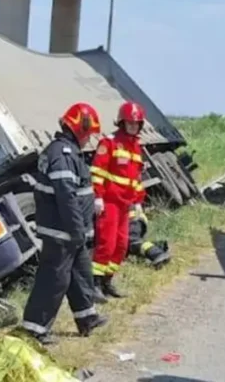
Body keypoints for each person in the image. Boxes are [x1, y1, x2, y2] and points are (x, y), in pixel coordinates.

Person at [20, 102, 109, 345]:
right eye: (89, 133)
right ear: (80, 128)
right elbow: (66, 197)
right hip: (62, 231)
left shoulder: (67, 151)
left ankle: (86, 317)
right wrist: (77, 229)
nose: (89, 139)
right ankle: (35, 328)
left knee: (81, 274)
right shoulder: (62, 154)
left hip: (72, 231)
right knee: (54, 279)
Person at [89, 101, 147, 301]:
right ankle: (94, 285)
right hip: (109, 202)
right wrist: (98, 197)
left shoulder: (136, 146)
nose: (133, 126)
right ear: (122, 122)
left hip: (125, 204)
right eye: (129, 123)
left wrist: (138, 201)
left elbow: (136, 178)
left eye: (136, 123)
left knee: (121, 245)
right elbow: (97, 171)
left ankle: (107, 281)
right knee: (106, 243)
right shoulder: (109, 143)